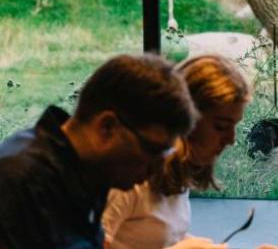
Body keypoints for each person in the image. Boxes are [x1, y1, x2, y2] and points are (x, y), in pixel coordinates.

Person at [0, 54, 198, 248]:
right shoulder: (18, 183)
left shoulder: (87, 172)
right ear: (108, 127)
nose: (155, 170)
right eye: (151, 150)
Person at [102, 55, 250, 249]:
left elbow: (159, 241)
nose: (231, 140)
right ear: (186, 121)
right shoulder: (129, 180)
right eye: (221, 127)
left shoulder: (176, 174)